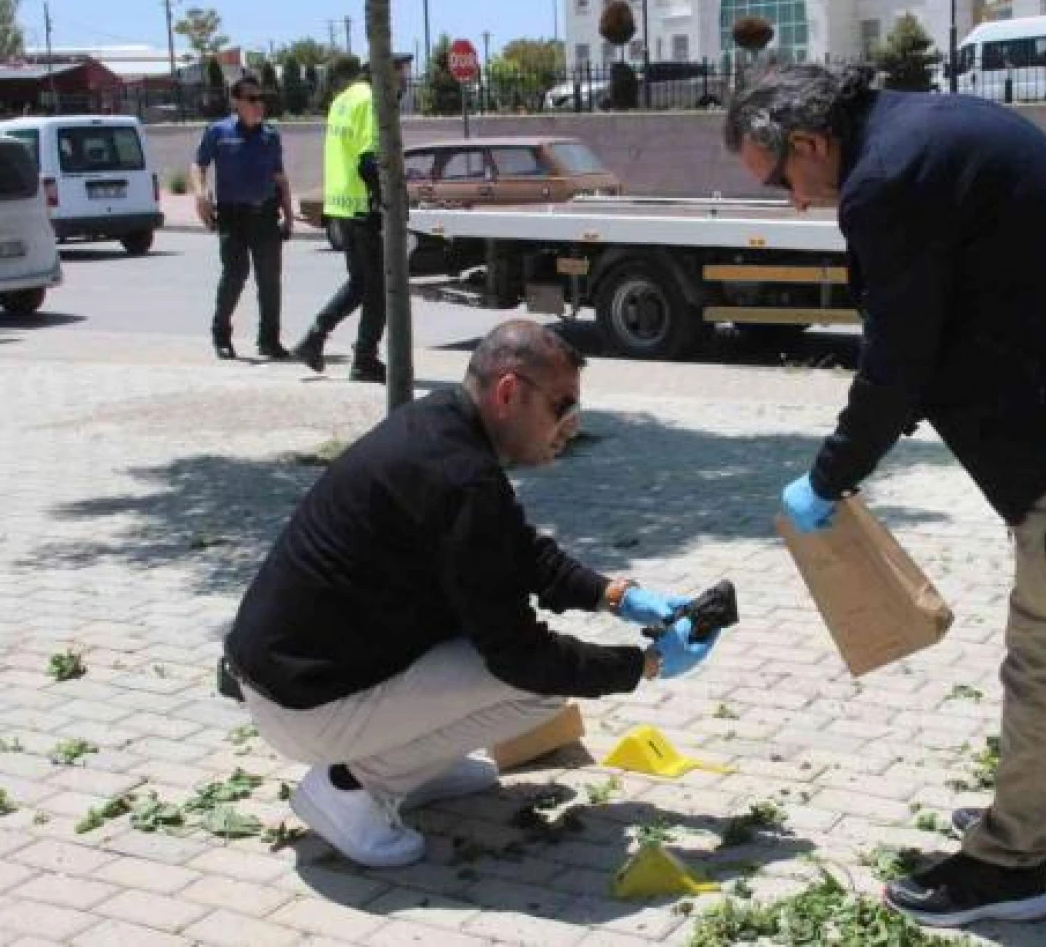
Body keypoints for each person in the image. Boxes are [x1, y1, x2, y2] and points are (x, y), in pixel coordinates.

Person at [725, 64, 1046, 928]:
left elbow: (895, 360)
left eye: (781, 181)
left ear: (807, 142)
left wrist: (831, 476)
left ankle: (1008, 868)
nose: (794, 203)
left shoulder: (886, 179)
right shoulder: (922, 125)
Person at [221, 319, 722, 868]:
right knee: (538, 687)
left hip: (291, 680)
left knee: (526, 667)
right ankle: (351, 785)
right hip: (305, 706)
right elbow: (519, 655)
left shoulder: (440, 428)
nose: (571, 427)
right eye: (563, 408)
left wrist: (619, 596)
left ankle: (412, 766)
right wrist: (642, 665)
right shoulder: (461, 479)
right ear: (510, 393)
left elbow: (519, 551)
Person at [290, 54, 413, 384]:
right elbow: (369, 161)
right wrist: (390, 203)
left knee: (361, 283)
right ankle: (364, 359)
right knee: (377, 289)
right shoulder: (373, 102)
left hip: (343, 206)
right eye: (402, 75)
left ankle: (315, 337)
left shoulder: (342, 101)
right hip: (363, 207)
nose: (405, 82)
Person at [191, 76, 294, 360]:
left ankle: (269, 340)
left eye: (261, 99)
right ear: (236, 102)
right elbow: (198, 165)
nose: (258, 104)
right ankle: (221, 333)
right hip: (232, 215)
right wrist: (200, 195)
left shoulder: (270, 135)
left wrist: (288, 214)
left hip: (265, 214)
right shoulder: (218, 132)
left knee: (270, 280)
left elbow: (279, 177)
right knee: (235, 275)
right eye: (251, 99)